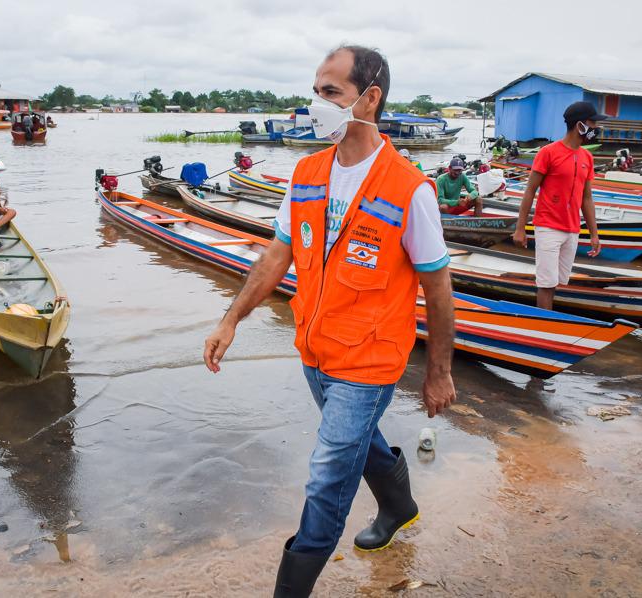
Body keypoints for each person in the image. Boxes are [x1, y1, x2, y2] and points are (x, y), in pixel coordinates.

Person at [203, 45, 456, 597]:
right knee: (356, 445)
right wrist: (231, 320)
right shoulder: (307, 171)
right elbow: (276, 255)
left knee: (326, 477)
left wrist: (439, 371)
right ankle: (399, 506)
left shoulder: (408, 188)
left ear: (369, 98)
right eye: (316, 91)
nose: (316, 104)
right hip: (315, 350)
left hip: (371, 359)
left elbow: (438, 287)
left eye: (330, 93)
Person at [513, 101, 603, 310]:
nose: (597, 128)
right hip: (548, 225)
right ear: (580, 125)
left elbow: (586, 198)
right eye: (593, 123)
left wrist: (594, 234)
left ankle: (548, 320)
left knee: (559, 281)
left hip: (572, 228)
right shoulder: (548, 152)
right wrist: (520, 229)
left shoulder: (587, 157)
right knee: (546, 283)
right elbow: (530, 191)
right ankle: (544, 326)